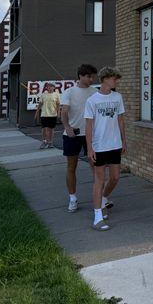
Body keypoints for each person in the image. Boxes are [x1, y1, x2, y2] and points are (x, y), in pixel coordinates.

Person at [84, 66, 126, 231]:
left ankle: (103, 198)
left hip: (115, 143)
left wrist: (124, 140)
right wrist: (90, 148)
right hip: (99, 145)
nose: (116, 82)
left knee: (115, 177)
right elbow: (88, 125)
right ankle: (97, 217)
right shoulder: (92, 100)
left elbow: (120, 120)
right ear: (105, 79)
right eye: (114, 79)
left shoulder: (117, 97)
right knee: (99, 180)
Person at [59, 64, 98, 213]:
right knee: (71, 166)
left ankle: (100, 197)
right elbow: (64, 112)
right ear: (80, 76)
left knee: (96, 165)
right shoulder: (69, 92)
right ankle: (73, 198)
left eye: (92, 77)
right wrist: (67, 127)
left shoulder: (95, 92)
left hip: (91, 135)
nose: (91, 79)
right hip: (73, 135)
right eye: (88, 76)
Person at [33, 82, 60, 149]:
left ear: (54, 87)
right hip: (44, 114)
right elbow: (40, 104)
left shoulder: (56, 95)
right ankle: (44, 141)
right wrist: (36, 113)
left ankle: (50, 142)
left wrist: (58, 113)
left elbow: (58, 105)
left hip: (53, 115)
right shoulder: (43, 95)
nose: (49, 87)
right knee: (44, 128)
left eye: (51, 86)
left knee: (51, 129)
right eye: (48, 86)